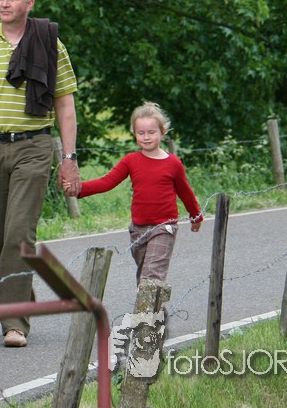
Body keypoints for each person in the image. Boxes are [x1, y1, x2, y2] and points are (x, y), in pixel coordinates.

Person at [0, 0, 81, 349]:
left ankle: (13, 322)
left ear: (28, 4)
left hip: (33, 146)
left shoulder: (49, 44)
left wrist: (69, 158)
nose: (3, 3)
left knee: (19, 234)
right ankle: (22, 295)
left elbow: (65, 104)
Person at [76, 102, 203, 284]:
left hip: (164, 227)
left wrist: (196, 216)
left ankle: (148, 303)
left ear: (162, 132)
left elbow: (186, 192)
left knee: (151, 276)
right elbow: (107, 182)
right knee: (144, 276)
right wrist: (79, 189)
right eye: (141, 133)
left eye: (151, 132)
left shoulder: (173, 163)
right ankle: (152, 303)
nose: (146, 137)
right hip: (138, 230)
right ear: (134, 134)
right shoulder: (131, 160)